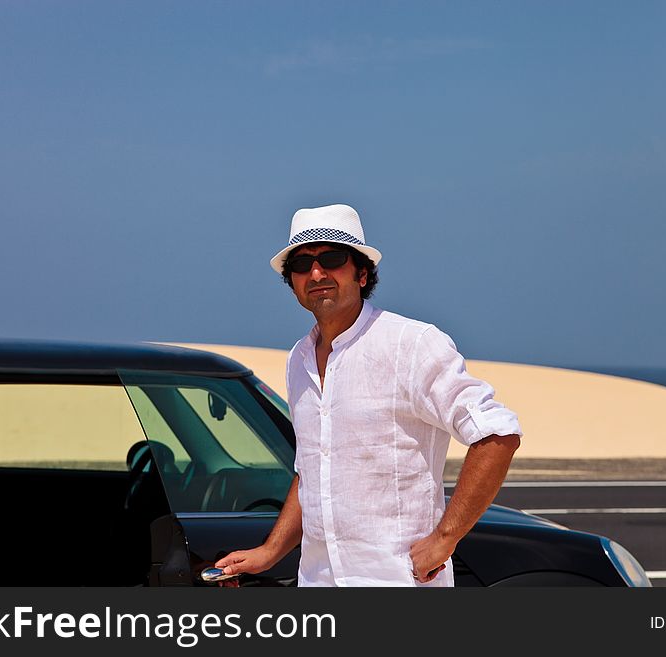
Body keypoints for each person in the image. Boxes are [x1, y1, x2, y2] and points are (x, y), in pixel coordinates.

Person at [215, 203, 522, 586]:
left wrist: (445, 539)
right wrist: (271, 551)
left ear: (362, 272)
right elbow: (312, 468)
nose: (316, 272)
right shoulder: (299, 359)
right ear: (291, 281)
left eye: (332, 257)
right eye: (301, 264)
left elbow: (497, 434)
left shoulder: (410, 345)